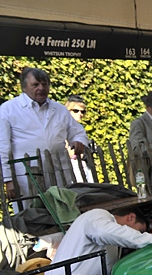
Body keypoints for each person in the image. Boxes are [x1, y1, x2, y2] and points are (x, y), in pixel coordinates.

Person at [0, 67, 89, 206]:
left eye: (44, 84)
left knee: (63, 213)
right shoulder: (8, 109)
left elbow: (78, 131)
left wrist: (78, 141)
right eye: (35, 85)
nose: (41, 88)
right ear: (24, 87)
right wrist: (8, 179)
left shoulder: (59, 109)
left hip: (59, 174)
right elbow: (2, 146)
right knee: (31, 218)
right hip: (25, 178)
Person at [64, 94, 93, 182]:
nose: (80, 114)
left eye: (82, 112)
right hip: (70, 168)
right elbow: (69, 153)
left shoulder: (80, 128)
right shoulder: (63, 126)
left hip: (83, 166)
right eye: (76, 111)